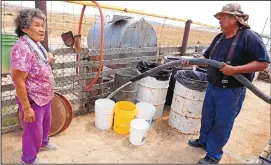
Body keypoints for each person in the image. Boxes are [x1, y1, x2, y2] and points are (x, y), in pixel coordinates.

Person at [182, 3, 270, 164]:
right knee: (207, 118)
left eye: (223, 17)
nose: (219, 20)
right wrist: (192, 62)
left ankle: (214, 155)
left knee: (222, 123)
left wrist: (235, 69)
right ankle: (203, 142)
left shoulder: (249, 37)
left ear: (235, 19)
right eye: (220, 17)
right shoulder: (219, 37)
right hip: (213, 86)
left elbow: (264, 63)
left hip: (231, 91)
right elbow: (207, 59)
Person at [11, 8, 57, 164]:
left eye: (42, 25)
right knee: (33, 131)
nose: (42, 29)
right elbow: (18, 81)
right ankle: (28, 159)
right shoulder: (21, 48)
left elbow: (39, 60)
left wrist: (48, 57)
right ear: (24, 28)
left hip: (45, 96)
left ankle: (43, 143)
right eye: (37, 25)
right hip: (33, 99)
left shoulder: (36, 44)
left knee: (45, 123)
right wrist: (26, 108)